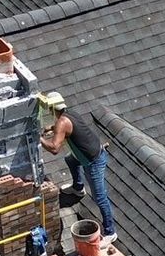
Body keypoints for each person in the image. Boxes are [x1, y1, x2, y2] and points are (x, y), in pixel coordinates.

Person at [38, 93, 118, 241]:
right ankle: (78, 187)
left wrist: (40, 138)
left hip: (93, 161)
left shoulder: (62, 122)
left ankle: (110, 232)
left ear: (51, 108)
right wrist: (50, 128)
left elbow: (55, 148)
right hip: (89, 151)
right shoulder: (69, 113)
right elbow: (61, 125)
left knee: (100, 198)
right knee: (71, 159)